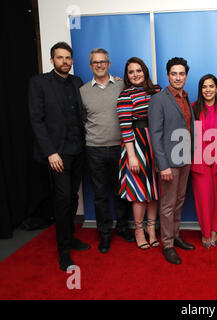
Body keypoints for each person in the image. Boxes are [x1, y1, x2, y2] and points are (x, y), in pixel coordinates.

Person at [28, 41, 90, 271]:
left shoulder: (77, 82)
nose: (64, 61)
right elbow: (36, 119)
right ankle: (63, 249)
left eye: (68, 58)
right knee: (63, 199)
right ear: (52, 60)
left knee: (73, 197)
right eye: (60, 57)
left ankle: (70, 237)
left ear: (72, 61)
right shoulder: (39, 82)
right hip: (58, 153)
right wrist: (50, 152)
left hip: (78, 149)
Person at [80, 48, 134, 254]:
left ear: (109, 64)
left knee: (121, 191)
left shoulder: (121, 85)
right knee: (100, 194)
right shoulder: (83, 91)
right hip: (94, 149)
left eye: (103, 62)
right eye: (95, 62)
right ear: (90, 65)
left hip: (120, 148)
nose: (99, 65)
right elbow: (83, 120)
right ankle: (104, 233)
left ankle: (123, 228)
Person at [148, 57, 196, 265]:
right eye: (174, 74)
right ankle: (167, 244)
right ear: (168, 76)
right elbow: (155, 134)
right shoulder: (159, 99)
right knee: (167, 204)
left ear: (186, 76)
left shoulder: (185, 97)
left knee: (179, 201)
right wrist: (163, 165)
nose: (178, 77)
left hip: (185, 158)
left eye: (181, 74)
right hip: (169, 161)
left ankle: (175, 235)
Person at [116, 57, 160, 250]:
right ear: (127, 75)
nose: (135, 75)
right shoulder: (125, 96)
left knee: (154, 191)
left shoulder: (157, 91)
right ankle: (139, 230)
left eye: (138, 70)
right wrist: (131, 155)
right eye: (131, 72)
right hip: (136, 145)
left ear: (145, 72)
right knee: (140, 191)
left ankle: (152, 229)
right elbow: (125, 127)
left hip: (156, 143)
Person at [191, 74, 217, 248]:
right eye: (204, 87)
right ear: (200, 90)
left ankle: (215, 230)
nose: (208, 90)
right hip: (200, 160)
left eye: (211, 86)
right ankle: (205, 232)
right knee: (203, 198)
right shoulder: (193, 109)